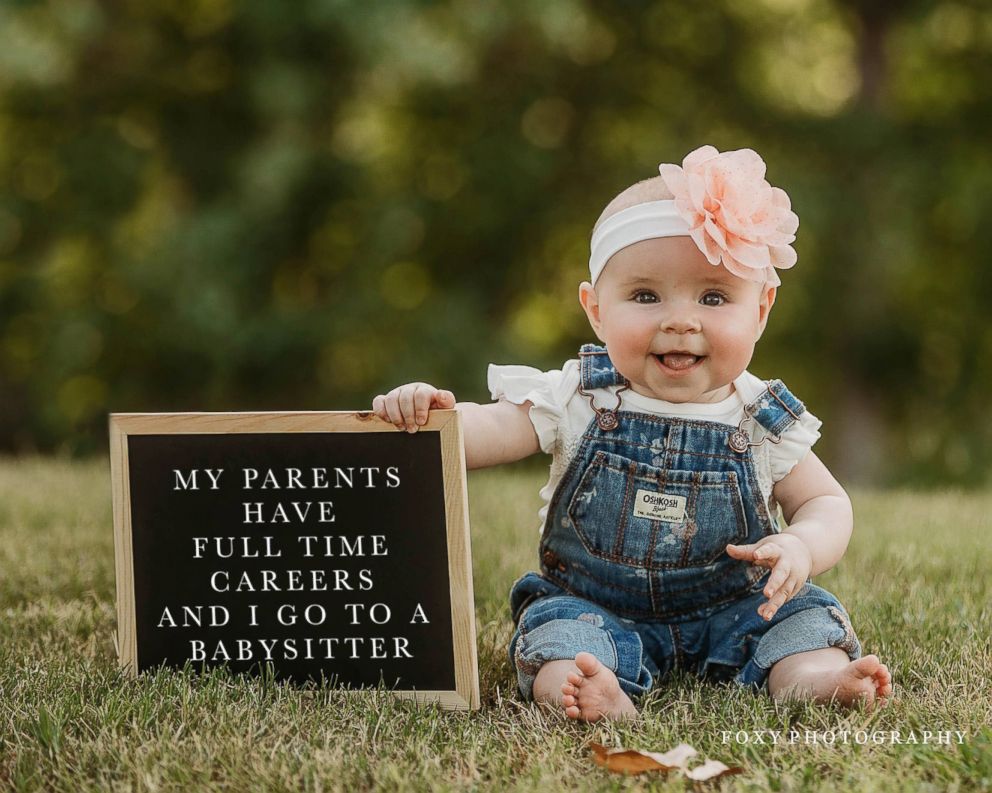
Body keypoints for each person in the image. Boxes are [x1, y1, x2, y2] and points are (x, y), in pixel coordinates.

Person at [371, 145, 892, 721]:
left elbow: (825, 501)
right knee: (559, 643)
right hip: (596, 607)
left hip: (737, 606)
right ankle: (591, 690)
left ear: (761, 310)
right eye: (645, 296)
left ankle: (815, 680)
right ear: (595, 309)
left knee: (800, 626)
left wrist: (801, 544)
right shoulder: (580, 395)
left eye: (714, 297)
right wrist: (434, 416)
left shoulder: (763, 418)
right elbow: (491, 430)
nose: (680, 319)